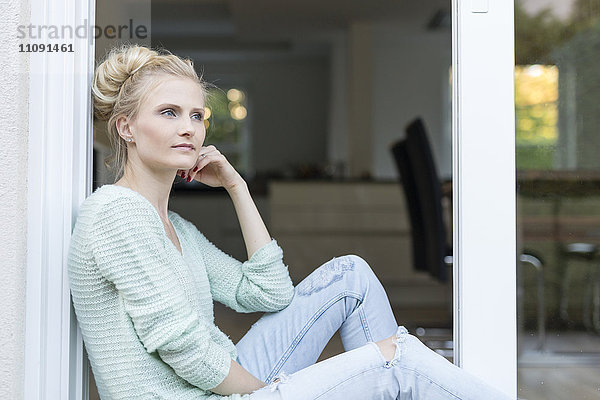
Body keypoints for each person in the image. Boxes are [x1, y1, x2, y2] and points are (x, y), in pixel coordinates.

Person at [67, 43, 511, 400]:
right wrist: (281, 392)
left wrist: (237, 188)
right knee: (397, 359)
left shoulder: (176, 227)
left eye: (198, 115)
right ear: (126, 128)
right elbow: (185, 350)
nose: (190, 128)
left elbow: (267, 293)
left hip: (221, 388)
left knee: (350, 276)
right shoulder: (114, 214)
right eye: (169, 112)